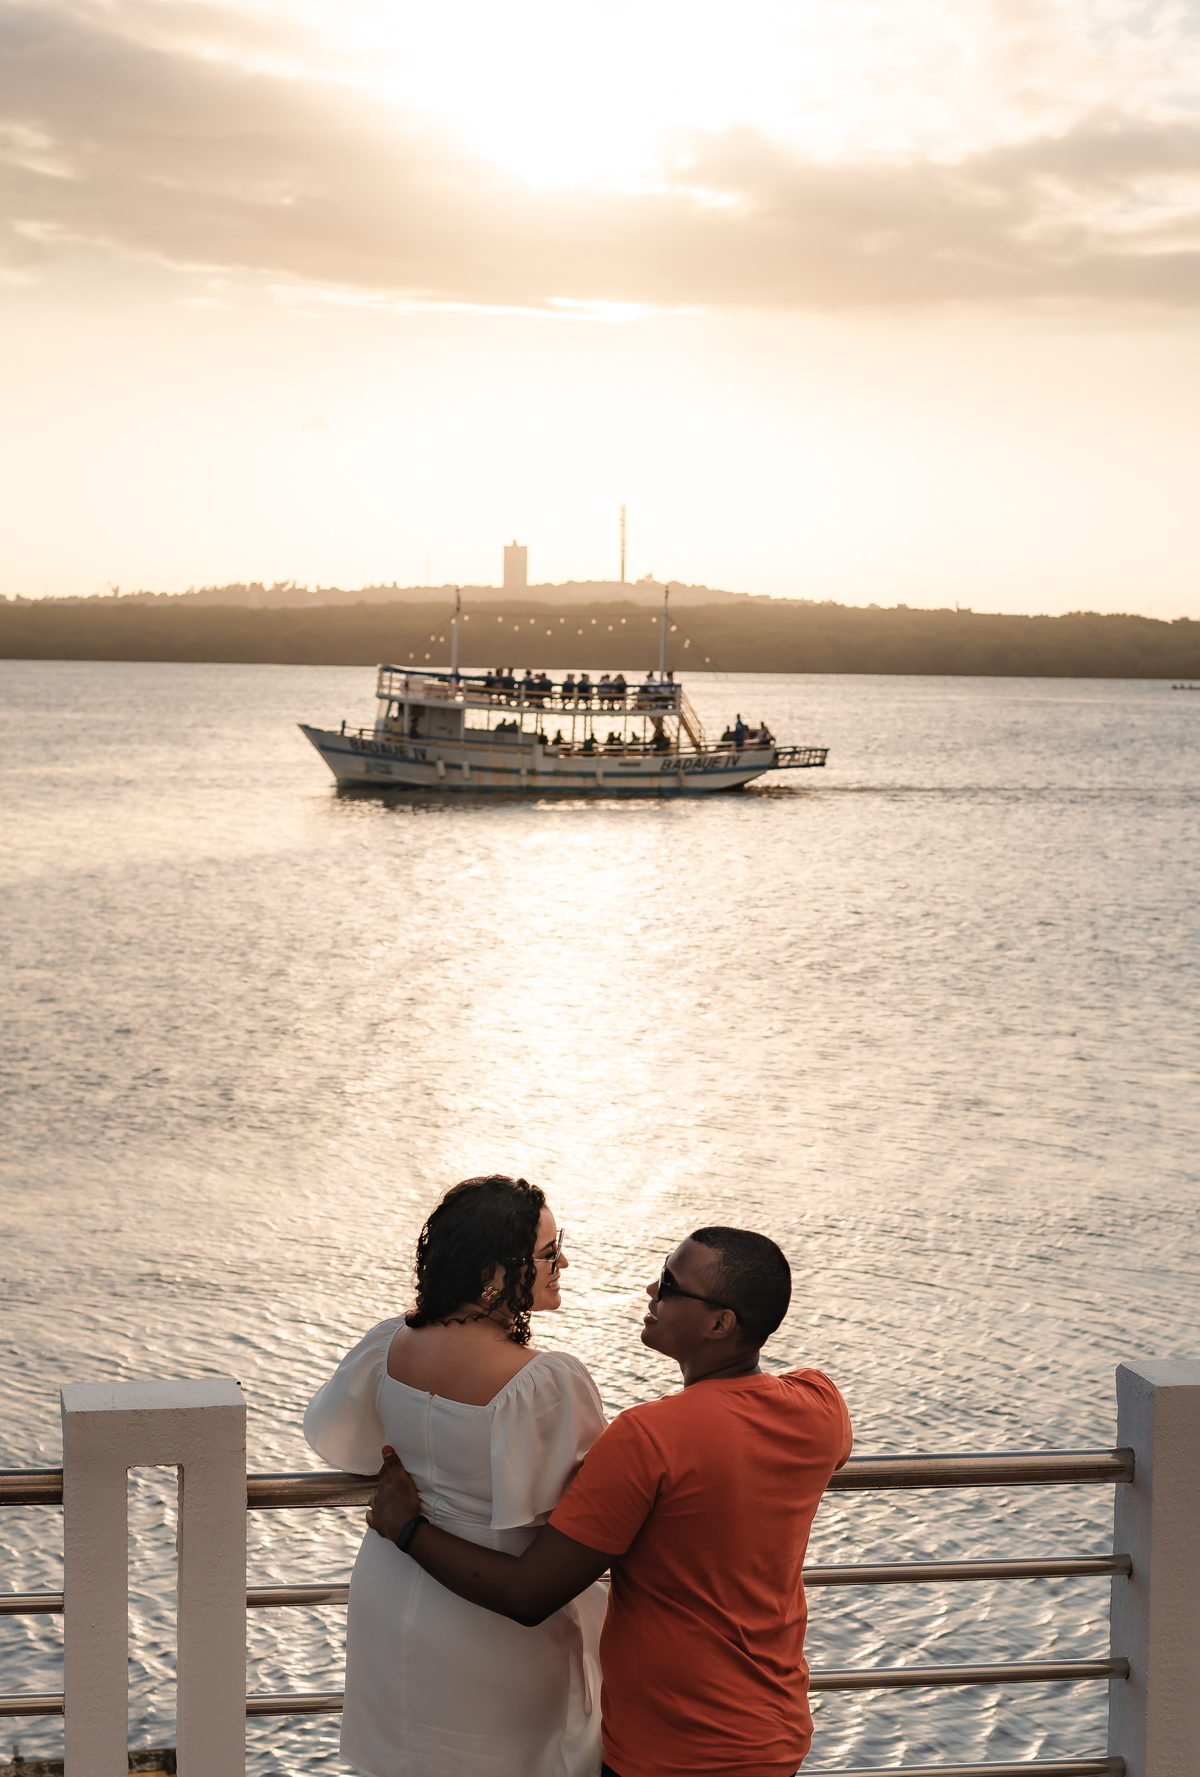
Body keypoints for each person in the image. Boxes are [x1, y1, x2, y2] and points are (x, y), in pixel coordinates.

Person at [368, 1227, 852, 1777]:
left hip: (669, 1751)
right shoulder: (820, 1404)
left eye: (670, 1284)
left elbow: (528, 1594)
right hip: (774, 1736)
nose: (651, 1289)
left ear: (721, 1323)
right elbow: (816, 1452)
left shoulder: (648, 1437)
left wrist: (406, 1527)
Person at [304, 1176, 607, 1777]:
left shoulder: (391, 1344)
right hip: (489, 1614)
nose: (562, 1262)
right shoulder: (545, 1383)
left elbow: (354, 1444)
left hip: (392, 1589)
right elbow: (591, 1511)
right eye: (549, 1252)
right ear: (495, 1272)